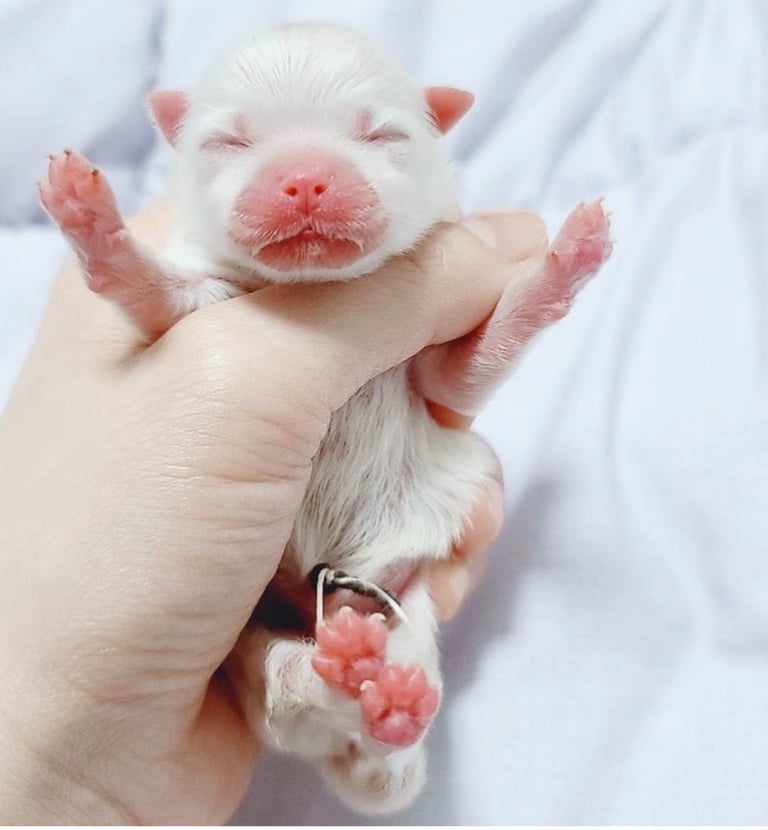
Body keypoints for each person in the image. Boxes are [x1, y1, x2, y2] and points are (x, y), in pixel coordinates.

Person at [0, 197, 547, 824]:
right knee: (293, 669)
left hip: (357, 579)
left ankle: (377, 728)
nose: (306, 190)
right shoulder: (202, 267)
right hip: (260, 615)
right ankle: (354, 706)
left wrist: (62, 781)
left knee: (404, 622)